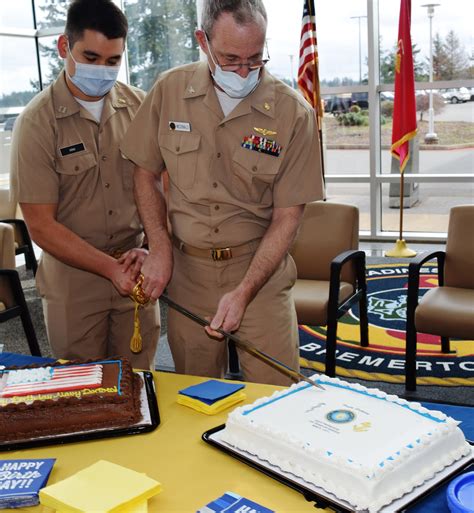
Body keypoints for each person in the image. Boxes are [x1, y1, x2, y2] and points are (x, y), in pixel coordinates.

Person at [120, 0, 324, 385]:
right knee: (196, 396)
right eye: (231, 59)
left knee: (274, 398)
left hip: (259, 274)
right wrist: (160, 247)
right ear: (203, 40)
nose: (244, 71)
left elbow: (288, 216)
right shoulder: (169, 91)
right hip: (188, 273)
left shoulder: (292, 112)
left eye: (255, 58)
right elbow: (144, 172)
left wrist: (244, 291)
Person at [10, 0, 159, 369]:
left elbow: (164, 190)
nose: (102, 70)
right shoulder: (36, 123)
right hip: (73, 285)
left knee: (142, 389)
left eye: (113, 61)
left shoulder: (141, 107)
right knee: (84, 398)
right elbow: (41, 225)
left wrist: (153, 248)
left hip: (135, 272)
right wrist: (109, 269)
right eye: (90, 57)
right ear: (64, 48)